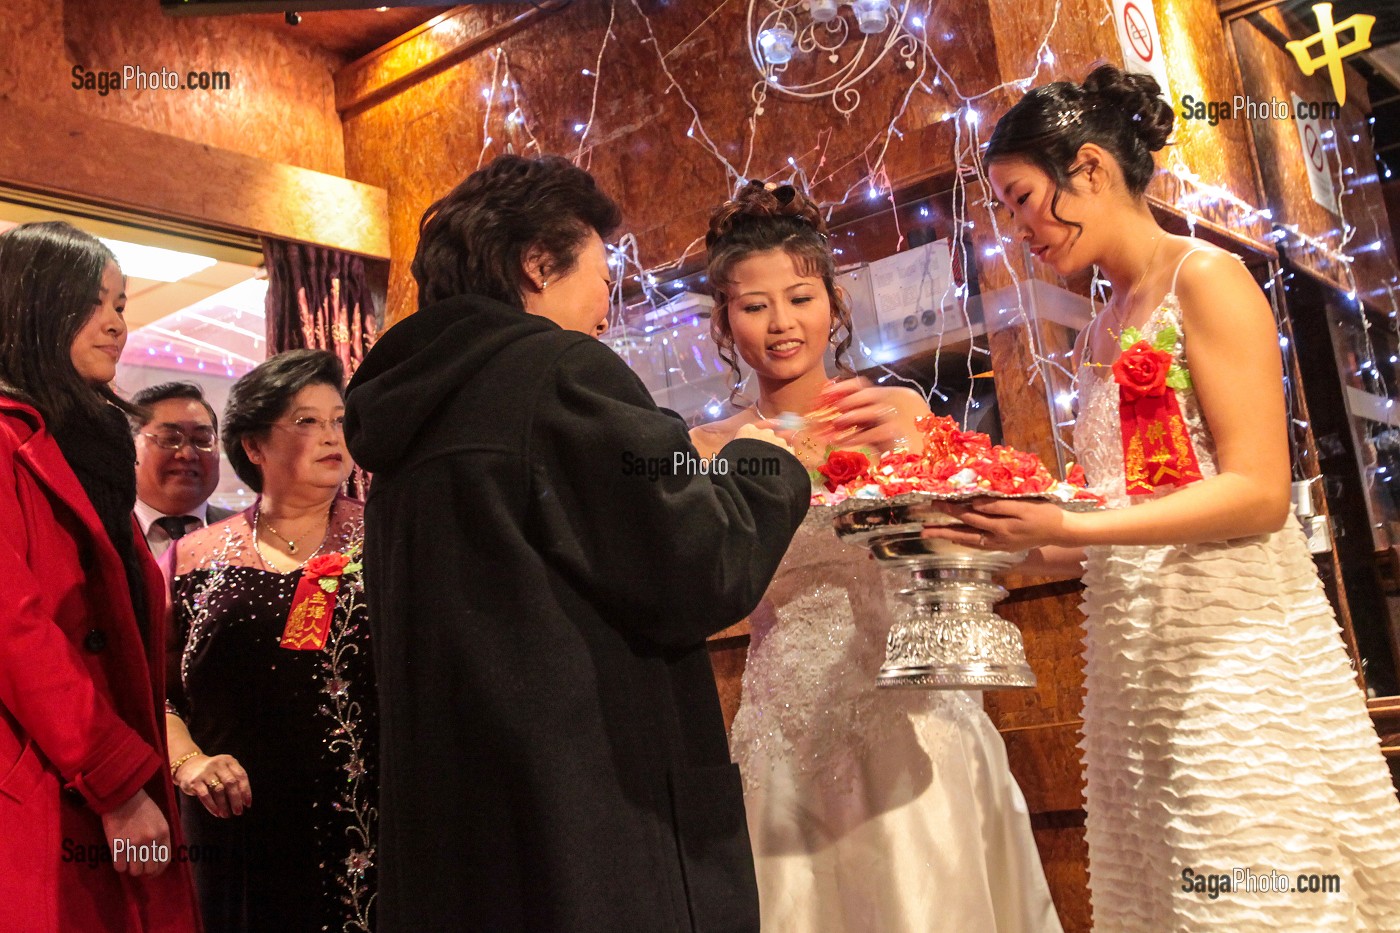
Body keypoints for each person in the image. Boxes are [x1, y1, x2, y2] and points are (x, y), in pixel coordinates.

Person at [923, 64, 1400, 928]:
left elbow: (1257, 493)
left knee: (1250, 869)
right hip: (1137, 655)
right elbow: (1122, 512)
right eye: (1006, 208)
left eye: (1024, 199)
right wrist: (1005, 538)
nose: (1019, 228)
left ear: (1093, 169)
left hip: (1231, 647)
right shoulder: (1106, 324)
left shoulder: (1206, 279)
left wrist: (1067, 520)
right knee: (1171, 887)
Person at [343, 153, 810, 933]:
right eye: (601, 273)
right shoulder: (558, 374)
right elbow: (702, 558)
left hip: (460, 850)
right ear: (536, 264)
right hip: (592, 838)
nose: (607, 304)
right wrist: (769, 462)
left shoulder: (406, 417)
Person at [690, 181, 1063, 932]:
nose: (780, 323)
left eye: (799, 297)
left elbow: (970, 536)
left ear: (833, 301)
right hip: (788, 718)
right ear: (726, 324)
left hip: (915, 699)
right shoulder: (708, 448)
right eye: (753, 306)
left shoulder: (897, 410)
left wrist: (907, 445)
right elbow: (712, 590)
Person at [0, 221, 199, 931]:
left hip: (96, 772)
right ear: (36, 303)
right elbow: (14, 629)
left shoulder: (87, 441)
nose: (118, 323)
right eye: (97, 302)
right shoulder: (6, 438)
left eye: (122, 304)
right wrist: (116, 778)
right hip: (50, 780)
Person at [163, 349, 375, 933]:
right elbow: (156, 693)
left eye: (338, 419)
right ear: (254, 446)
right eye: (306, 421)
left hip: (367, 820)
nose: (332, 435)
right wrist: (189, 762)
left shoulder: (387, 536)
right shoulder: (195, 555)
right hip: (233, 823)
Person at [131, 382, 234, 557]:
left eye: (202, 440)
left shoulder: (249, 535)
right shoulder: (102, 534)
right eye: (170, 439)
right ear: (130, 446)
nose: (187, 454)